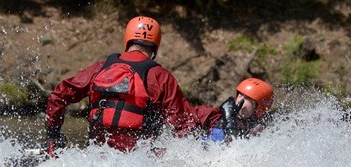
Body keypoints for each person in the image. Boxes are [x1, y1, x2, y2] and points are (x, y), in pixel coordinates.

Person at [44, 16, 225, 153]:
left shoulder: (100, 68)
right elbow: (182, 125)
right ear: (155, 46)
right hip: (138, 166)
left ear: (128, 40)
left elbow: (59, 95)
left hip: (96, 157)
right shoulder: (161, 77)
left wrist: (52, 135)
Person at [205, 78, 274, 143]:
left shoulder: (262, 129)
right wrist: (229, 120)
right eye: (240, 95)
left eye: (248, 98)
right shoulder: (216, 115)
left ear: (259, 108)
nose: (240, 100)